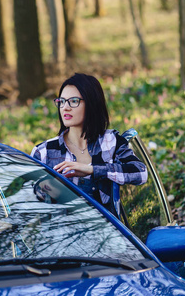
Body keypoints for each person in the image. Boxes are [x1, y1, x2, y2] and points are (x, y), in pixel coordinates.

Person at [30, 73, 148, 216]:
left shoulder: (110, 142)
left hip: (108, 234)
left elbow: (140, 173)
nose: (65, 108)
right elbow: (29, 201)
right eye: (62, 101)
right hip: (63, 235)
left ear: (92, 103)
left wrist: (92, 170)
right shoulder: (44, 152)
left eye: (73, 101)